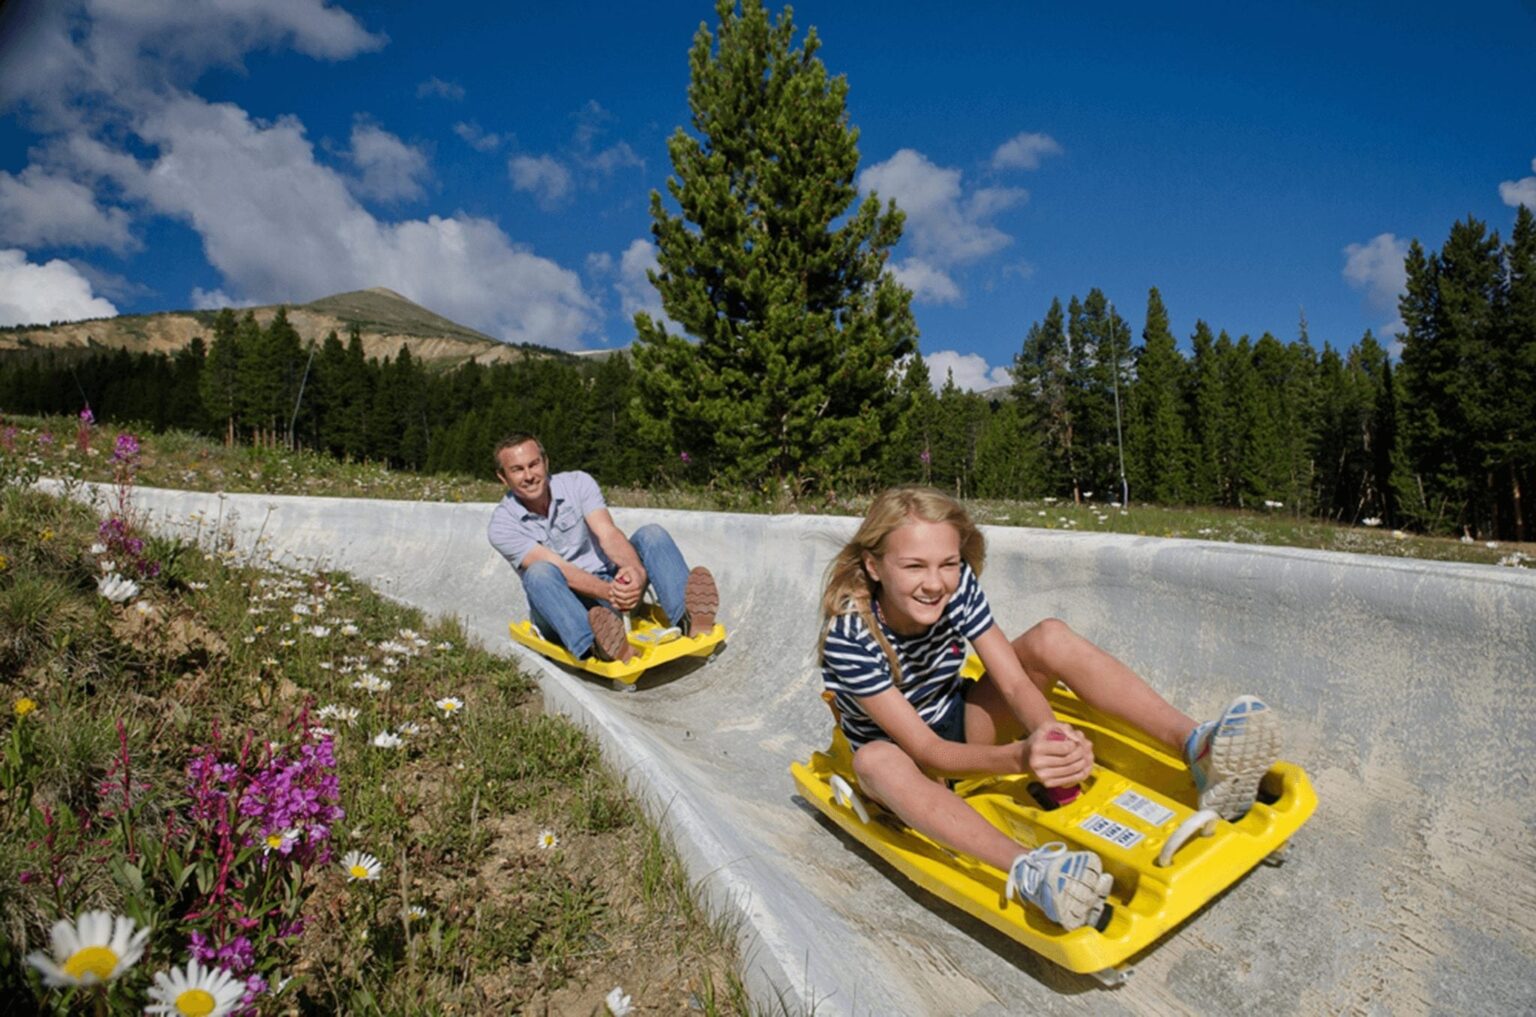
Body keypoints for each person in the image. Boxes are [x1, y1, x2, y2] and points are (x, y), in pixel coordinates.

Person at [818, 486, 1279, 931]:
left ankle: (1195, 746)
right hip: (910, 761)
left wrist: (1050, 738)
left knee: (1049, 637)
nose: (935, 582)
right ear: (873, 566)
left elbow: (1015, 682)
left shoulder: (956, 590)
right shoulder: (850, 639)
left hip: (959, 720)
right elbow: (926, 749)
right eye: (913, 566)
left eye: (948, 563)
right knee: (875, 760)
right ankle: (1033, 871)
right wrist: (1019, 758)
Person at [488, 433, 718, 664]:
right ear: (503, 477)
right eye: (517, 470)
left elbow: (607, 533)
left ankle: (689, 619)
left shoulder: (578, 483)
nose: (529, 476)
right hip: (564, 606)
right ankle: (598, 645)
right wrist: (612, 592)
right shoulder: (502, 526)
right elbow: (561, 570)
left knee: (652, 534)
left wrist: (634, 572)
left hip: (613, 590)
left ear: (546, 462)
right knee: (538, 572)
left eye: (534, 464)